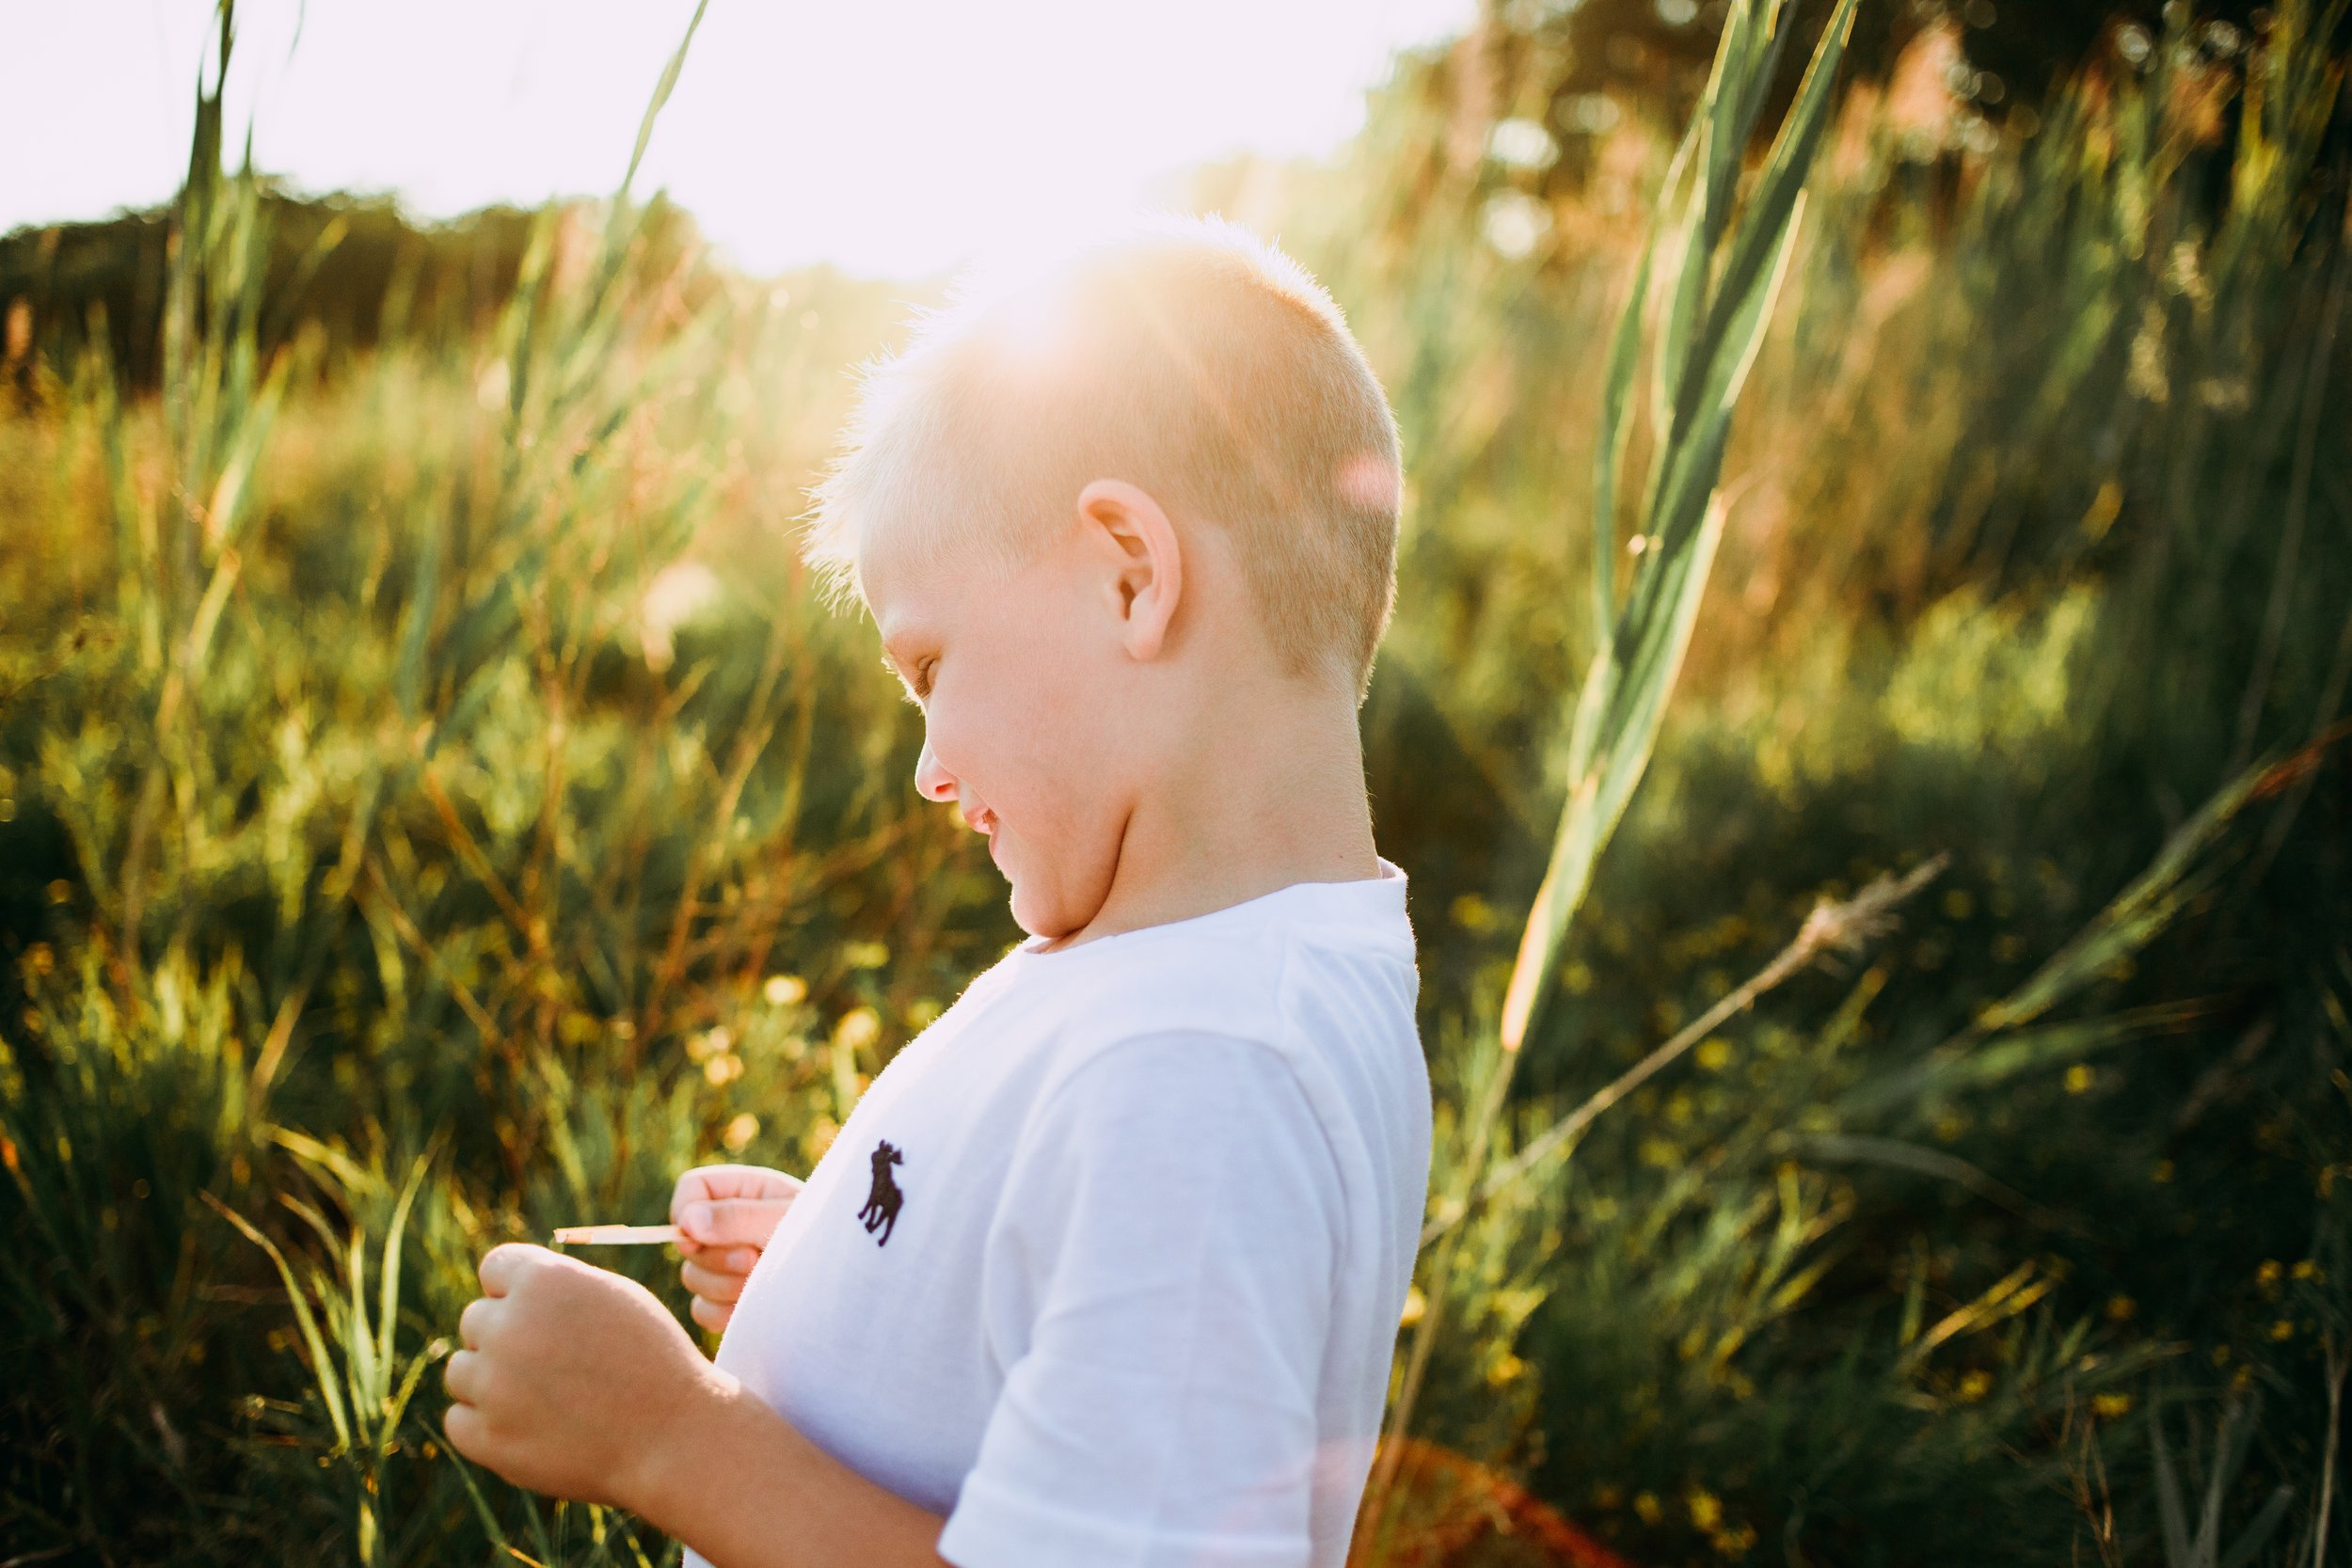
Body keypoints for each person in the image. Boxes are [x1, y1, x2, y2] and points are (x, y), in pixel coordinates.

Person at [440, 215, 1434, 1568]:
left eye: (929, 668)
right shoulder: (1192, 985)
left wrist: (669, 1435)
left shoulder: (1205, 1071)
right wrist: (883, 1277)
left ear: (1130, 577)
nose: (926, 766)